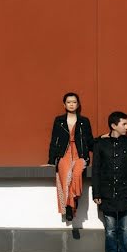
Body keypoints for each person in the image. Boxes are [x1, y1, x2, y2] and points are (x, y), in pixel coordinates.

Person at [91, 111, 127, 252]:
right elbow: (96, 171)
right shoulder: (100, 144)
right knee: (111, 229)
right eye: (124, 124)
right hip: (107, 194)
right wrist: (96, 193)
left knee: (125, 229)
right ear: (114, 125)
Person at [47, 92, 94, 222]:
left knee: (77, 173)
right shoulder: (59, 120)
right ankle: (70, 206)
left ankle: (72, 201)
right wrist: (51, 160)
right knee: (65, 174)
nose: (71, 104)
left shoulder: (84, 121)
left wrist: (102, 141)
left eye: (74, 102)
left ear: (78, 104)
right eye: (69, 102)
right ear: (64, 104)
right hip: (64, 153)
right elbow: (54, 140)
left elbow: (89, 140)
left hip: (80, 154)